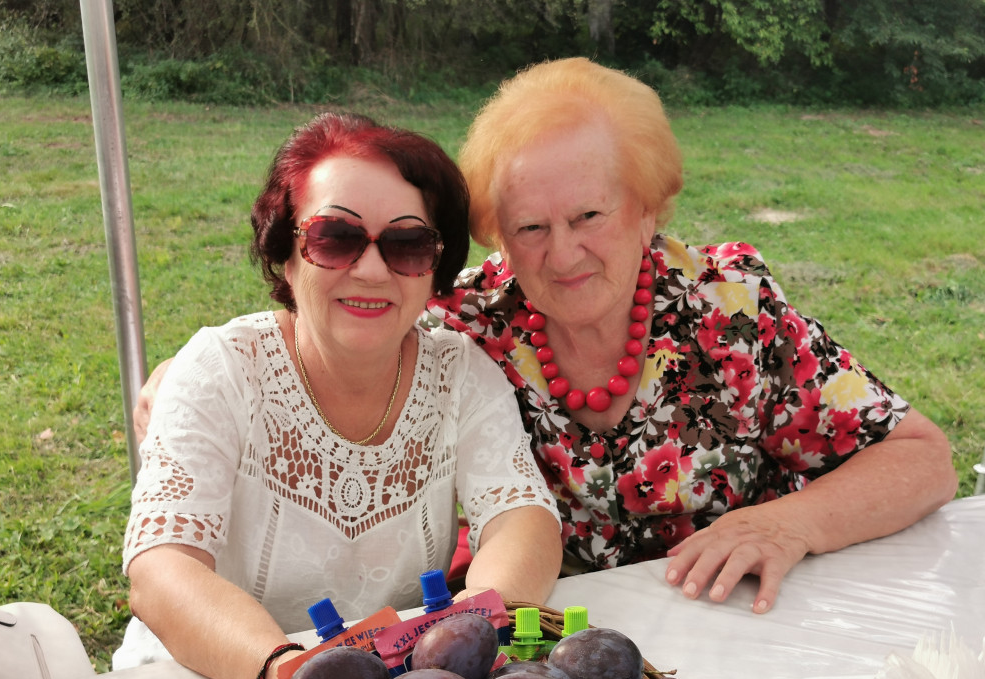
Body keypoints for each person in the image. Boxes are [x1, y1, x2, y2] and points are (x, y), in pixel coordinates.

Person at [135, 58, 957, 620]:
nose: (562, 255)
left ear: (647, 206)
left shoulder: (727, 311)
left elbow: (923, 458)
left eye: (590, 216)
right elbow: (345, 308)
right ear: (498, 237)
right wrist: (189, 371)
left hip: (733, 624)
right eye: (530, 226)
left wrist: (790, 524)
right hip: (545, 641)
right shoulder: (474, 321)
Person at [117, 112, 563, 679]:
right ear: (286, 253)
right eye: (335, 238)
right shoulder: (220, 369)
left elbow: (522, 518)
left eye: (407, 244)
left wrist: (480, 626)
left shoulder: (458, 373)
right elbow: (161, 568)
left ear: (434, 266)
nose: (373, 270)